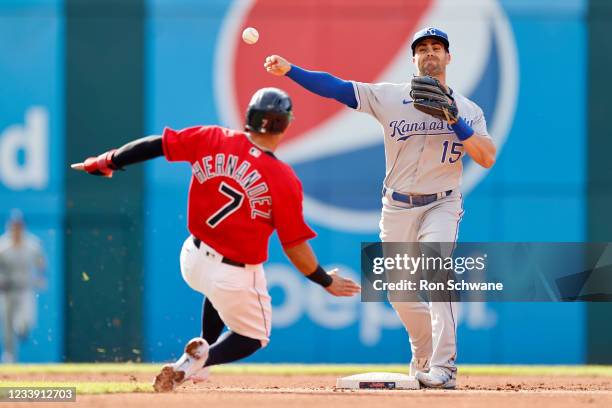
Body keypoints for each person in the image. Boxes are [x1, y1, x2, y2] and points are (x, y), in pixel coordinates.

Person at [72, 87, 361, 392]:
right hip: (233, 273)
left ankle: (203, 347)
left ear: (250, 117)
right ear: (286, 124)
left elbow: (158, 144)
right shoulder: (282, 178)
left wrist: (108, 160)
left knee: (217, 291)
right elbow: (294, 247)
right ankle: (199, 361)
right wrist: (324, 280)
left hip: (193, 259)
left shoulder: (212, 138)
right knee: (254, 337)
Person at [264, 27, 497, 389]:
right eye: (423, 48)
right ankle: (423, 356)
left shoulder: (467, 109)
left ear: (449, 57)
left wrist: (455, 120)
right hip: (397, 206)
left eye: (437, 47)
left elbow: (486, 157)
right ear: (414, 58)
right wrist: (291, 71)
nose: (430, 53)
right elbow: (337, 87)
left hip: (443, 203)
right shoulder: (390, 97)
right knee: (398, 295)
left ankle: (445, 366)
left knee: (437, 273)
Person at [0, 210, 47, 363]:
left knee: (25, 320)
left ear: (23, 226)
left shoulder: (32, 244)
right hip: (7, 290)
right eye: (14, 225)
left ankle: (22, 329)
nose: (16, 228)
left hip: (25, 288)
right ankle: (9, 358)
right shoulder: (3, 245)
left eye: (19, 225)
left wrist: (41, 277)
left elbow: (41, 263)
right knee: (7, 326)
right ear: (9, 226)